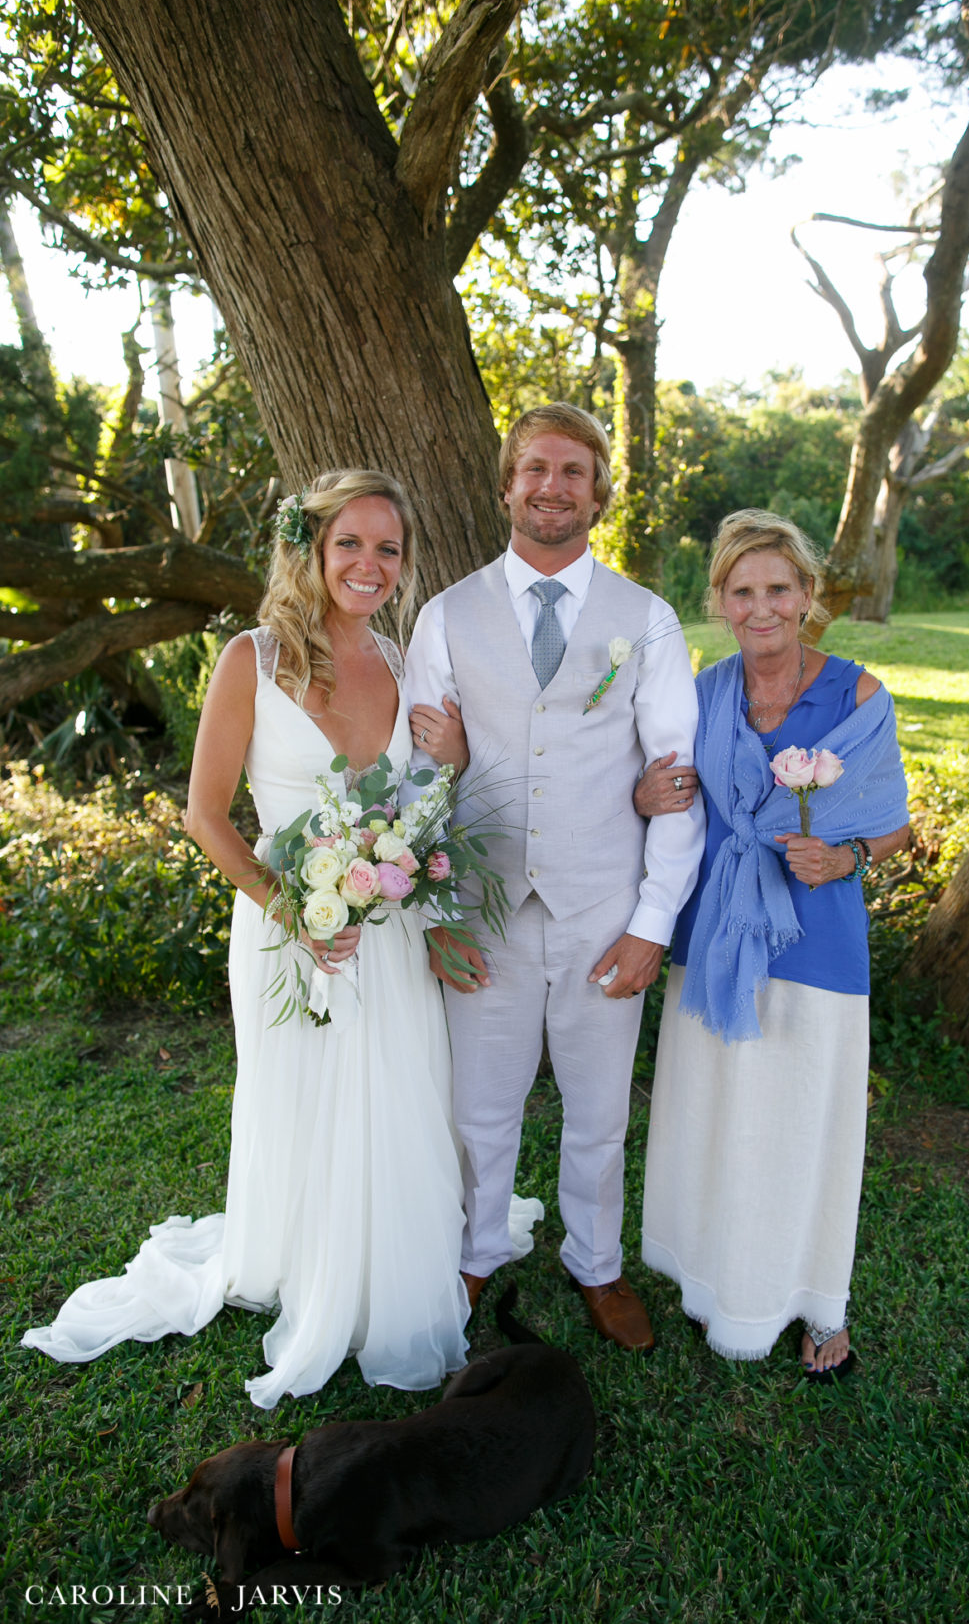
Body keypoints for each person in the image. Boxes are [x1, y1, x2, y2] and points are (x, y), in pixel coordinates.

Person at [23, 471, 476, 1407]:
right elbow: (205, 815)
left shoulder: (398, 661)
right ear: (309, 546)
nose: (369, 564)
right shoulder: (252, 659)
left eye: (388, 548)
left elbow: (411, 805)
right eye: (350, 542)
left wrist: (449, 770)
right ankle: (308, 1266)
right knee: (304, 1100)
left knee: (394, 1096)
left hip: (383, 931)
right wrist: (296, 913)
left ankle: (384, 1271)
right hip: (286, 929)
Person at [403, 403, 703, 1350]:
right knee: (479, 1105)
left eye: (573, 472)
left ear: (598, 495)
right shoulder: (444, 615)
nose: (552, 486)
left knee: (600, 1110)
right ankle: (477, 1245)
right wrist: (432, 915)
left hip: (602, 906)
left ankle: (596, 1263)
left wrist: (654, 920)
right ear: (506, 486)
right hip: (482, 906)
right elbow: (411, 779)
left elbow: (678, 779)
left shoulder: (646, 621)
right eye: (535, 469)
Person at [636, 509, 909, 1379]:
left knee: (803, 1127)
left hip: (817, 941)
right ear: (719, 599)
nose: (762, 608)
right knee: (715, 1119)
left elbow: (896, 826)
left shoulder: (859, 695)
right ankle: (714, 1279)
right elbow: (661, 797)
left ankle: (816, 1304)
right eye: (742, 591)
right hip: (713, 942)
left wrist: (848, 853)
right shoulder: (704, 693)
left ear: (807, 596)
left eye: (778, 589)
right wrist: (646, 795)